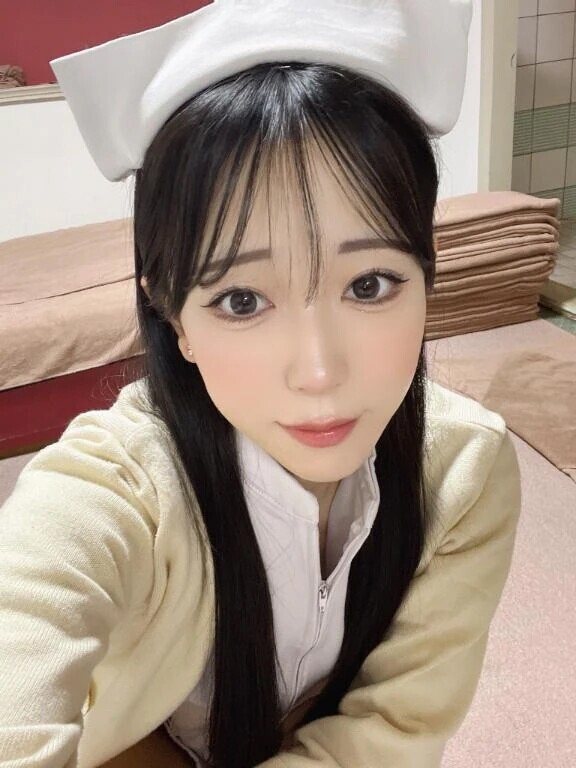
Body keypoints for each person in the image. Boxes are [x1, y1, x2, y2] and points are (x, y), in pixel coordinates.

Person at [0, 2, 522, 767]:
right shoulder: (117, 487)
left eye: (370, 284)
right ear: (172, 315)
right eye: (242, 301)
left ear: (428, 277)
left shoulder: (462, 473)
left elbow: (390, 733)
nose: (319, 372)